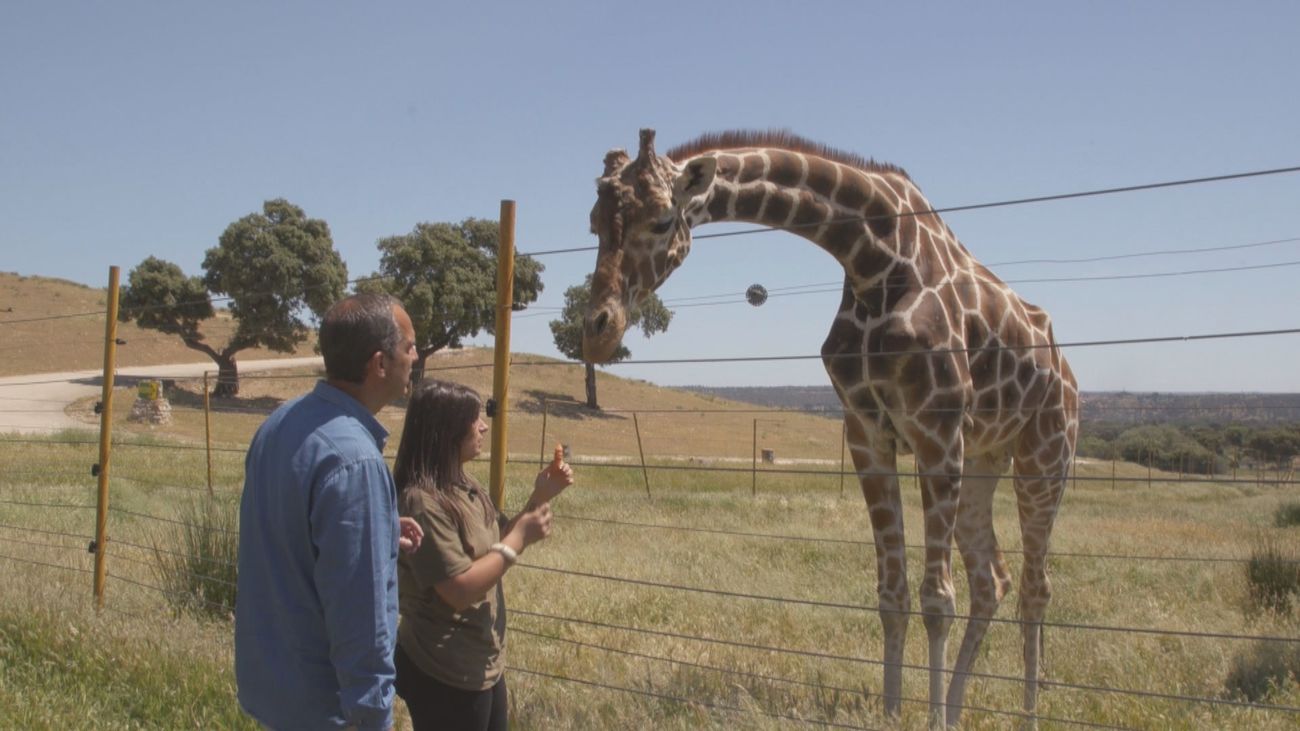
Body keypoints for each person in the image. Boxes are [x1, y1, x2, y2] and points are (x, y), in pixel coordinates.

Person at [235, 293, 425, 731]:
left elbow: (290, 533)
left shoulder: (279, 423)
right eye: (410, 346)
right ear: (379, 364)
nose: (415, 356)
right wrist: (375, 717)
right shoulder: (355, 460)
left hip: (272, 690)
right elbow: (364, 616)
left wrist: (375, 529)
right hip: (326, 709)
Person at [392, 379, 574, 731]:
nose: (484, 425)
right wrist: (519, 539)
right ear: (447, 430)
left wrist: (542, 495)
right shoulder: (421, 502)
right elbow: (458, 590)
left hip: (481, 662)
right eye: (473, 419)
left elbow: (496, 545)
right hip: (443, 669)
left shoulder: (464, 485)